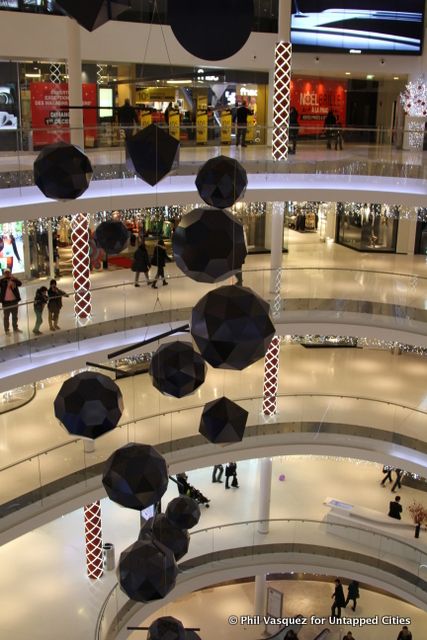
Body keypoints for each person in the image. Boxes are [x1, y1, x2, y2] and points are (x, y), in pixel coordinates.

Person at [0, 269, 22, 334]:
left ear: (10, 273)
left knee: (15, 316)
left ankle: (15, 328)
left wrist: (14, 279)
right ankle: (6, 330)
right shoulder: (2, 281)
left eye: (8, 273)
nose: (7, 274)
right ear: (4, 274)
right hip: (6, 302)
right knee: (6, 317)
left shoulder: (14, 279)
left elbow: (20, 284)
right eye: (6, 273)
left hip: (14, 301)